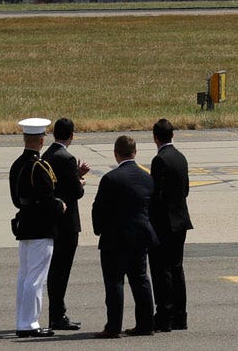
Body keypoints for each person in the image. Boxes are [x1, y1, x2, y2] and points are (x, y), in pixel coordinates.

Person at [92, 135, 158, 338]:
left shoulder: (111, 178)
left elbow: (99, 209)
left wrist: (99, 229)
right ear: (135, 152)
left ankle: (113, 326)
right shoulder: (147, 177)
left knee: (114, 283)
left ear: (116, 154)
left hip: (115, 238)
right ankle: (146, 324)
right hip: (139, 236)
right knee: (140, 280)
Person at [9, 116, 65, 339]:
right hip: (41, 227)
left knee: (25, 276)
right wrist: (59, 206)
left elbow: (16, 199)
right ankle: (29, 323)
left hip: (25, 225)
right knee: (36, 278)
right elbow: (47, 198)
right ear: (41, 140)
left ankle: (23, 320)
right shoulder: (39, 166)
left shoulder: (17, 164)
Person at [41, 117, 90, 331]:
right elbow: (75, 192)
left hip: (51, 222)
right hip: (68, 224)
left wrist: (75, 175)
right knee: (62, 271)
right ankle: (58, 315)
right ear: (71, 135)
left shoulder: (47, 155)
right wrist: (80, 181)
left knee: (54, 271)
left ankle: (55, 313)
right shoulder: (67, 158)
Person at [149, 118, 193, 331]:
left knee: (161, 270)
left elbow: (156, 194)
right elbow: (185, 189)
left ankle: (164, 315)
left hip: (164, 222)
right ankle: (180, 315)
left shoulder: (160, 160)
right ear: (172, 135)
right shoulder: (180, 157)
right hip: (181, 220)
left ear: (155, 138)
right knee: (177, 268)